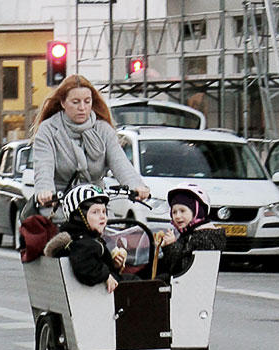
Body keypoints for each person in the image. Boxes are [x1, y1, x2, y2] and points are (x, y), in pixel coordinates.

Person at [32, 75, 150, 207]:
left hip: (95, 203)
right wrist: (44, 189)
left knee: (105, 223)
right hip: (60, 203)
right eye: (75, 102)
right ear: (63, 103)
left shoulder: (103, 129)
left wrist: (136, 185)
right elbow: (43, 165)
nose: (82, 107)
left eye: (87, 101)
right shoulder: (48, 129)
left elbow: (119, 161)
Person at [43, 184, 129, 293]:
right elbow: (84, 266)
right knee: (145, 283)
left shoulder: (79, 239)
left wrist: (114, 265)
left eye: (104, 211)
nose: (102, 216)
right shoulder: (85, 243)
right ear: (79, 217)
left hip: (99, 293)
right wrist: (106, 276)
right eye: (95, 212)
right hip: (101, 296)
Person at [155, 183, 226, 278]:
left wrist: (171, 245)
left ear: (197, 212)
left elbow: (183, 268)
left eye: (182, 211)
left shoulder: (205, 237)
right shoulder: (189, 234)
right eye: (174, 212)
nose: (177, 216)